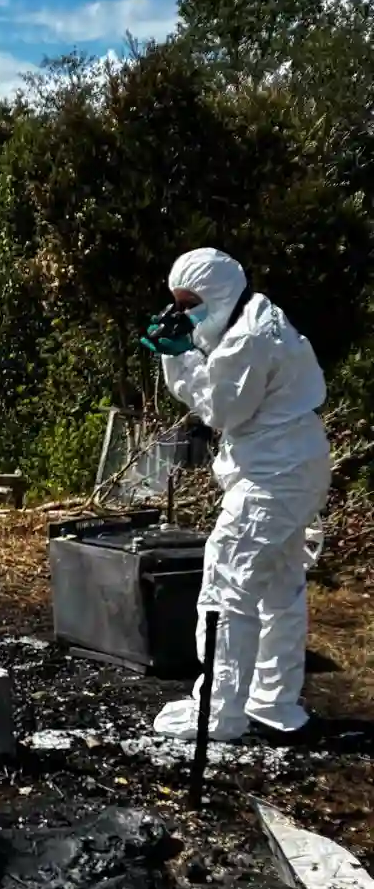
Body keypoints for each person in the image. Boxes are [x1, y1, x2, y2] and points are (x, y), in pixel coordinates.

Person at [147, 247, 330, 741]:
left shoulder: (247, 338)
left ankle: (219, 713)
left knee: (226, 584)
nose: (185, 314)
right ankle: (274, 702)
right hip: (292, 464)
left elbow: (223, 411)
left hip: (275, 476)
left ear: (219, 294)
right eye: (177, 303)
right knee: (277, 585)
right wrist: (190, 349)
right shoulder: (253, 315)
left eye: (192, 304)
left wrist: (180, 359)